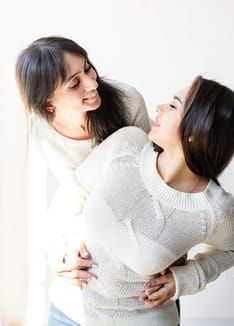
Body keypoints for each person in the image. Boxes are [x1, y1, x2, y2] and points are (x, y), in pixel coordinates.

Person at [16, 36, 182, 325]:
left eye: (88, 69)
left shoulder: (127, 101)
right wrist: (53, 251)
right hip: (87, 257)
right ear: (48, 102)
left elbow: (155, 186)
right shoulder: (39, 128)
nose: (92, 83)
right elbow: (51, 199)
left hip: (137, 255)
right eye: (74, 83)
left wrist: (176, 264)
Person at [44, 75, 234, 325]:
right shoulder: (128, 143)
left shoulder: (214, 209)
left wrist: (188, 277)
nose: (160, 108)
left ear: (195, 133)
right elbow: (70, 194)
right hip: (67, 313)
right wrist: (57, 249)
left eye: (174, 106)